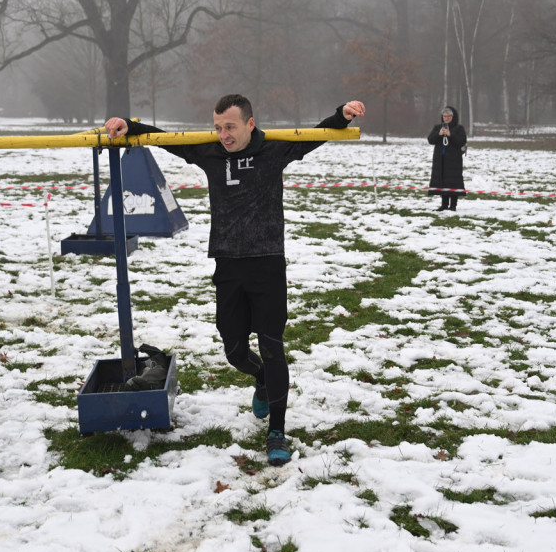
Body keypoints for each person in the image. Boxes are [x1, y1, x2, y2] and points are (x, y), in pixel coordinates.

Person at [104, 96, 365, 466]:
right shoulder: (209, 152)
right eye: (217, 127)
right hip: (228, 263)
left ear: (250, 124)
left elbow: (321, 132)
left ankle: (277, 430)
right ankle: (259, 377)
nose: (223, 134)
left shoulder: (274, 149)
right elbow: (164, 139)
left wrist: (343, 114)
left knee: (273, 346)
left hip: (268, 263)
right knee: (234, 351)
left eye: (230, 127)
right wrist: (132, 126)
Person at [427, 106, 467, 211]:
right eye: (444, 116)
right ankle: (444, 204)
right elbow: (430, 140)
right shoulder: (438, 127)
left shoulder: (459, 128)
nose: (446, 118)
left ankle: (453, 205)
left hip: (454, 161)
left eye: (449, 116)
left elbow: (461, 141)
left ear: (453, 117)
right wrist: (439, 134)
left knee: (453, 182)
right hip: (440, 160)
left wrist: (450, 134)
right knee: (442, 181)